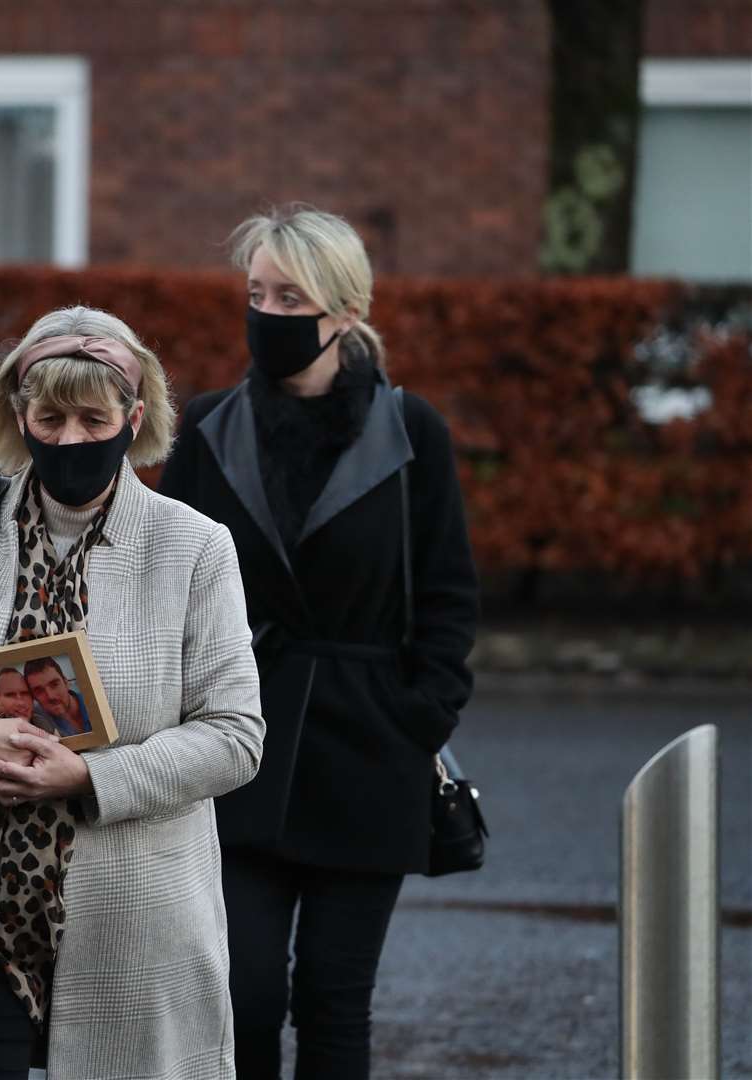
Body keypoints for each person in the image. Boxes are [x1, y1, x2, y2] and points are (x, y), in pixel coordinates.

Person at [0, 306, 266, 1079]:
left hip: (131, 919)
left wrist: (90, 776)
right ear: (19, 415)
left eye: (94, 417)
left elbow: (235, 734)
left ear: (134, 417)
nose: (72, 439)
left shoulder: (194, 547)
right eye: (50, 417)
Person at [157, 205, 479, 1079]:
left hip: (371, 753)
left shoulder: (412, 433)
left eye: (289, 295)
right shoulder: (212, 428)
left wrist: (420, 713)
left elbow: (449, 595)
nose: (266, 312)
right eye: (255, 292)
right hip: (236, 747)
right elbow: (159, 582)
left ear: (343, 309)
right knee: (243, 991)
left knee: (336, 1001)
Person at [22, 656, 89, 736]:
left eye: (54, 684)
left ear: (66, 682)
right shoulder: (38, 721)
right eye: (39, 691)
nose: (50, 696)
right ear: (34, 697)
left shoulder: (95, 703)